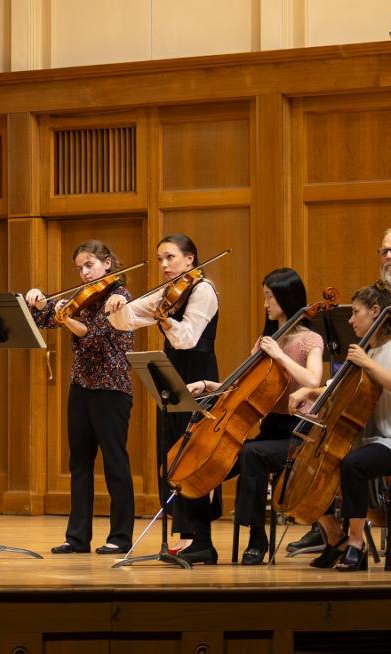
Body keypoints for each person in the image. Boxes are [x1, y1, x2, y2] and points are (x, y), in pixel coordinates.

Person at [183, 267, 324, 565]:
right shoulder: (266, 340)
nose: (265, 304)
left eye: (269, 297)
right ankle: (202, 542)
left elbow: (313, 381)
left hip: (300, 433)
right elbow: (240, 387)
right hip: (271, 428)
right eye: (264, 297)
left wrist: (280, 355)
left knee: (252, 454)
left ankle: (257, 536)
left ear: (287, 298)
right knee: (202, 458)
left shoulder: (310, 340)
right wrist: (209, 385)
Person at [288, 284, 391, 572]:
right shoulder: (369, 351)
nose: (349, 320)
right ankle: (333, 537)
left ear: (376, 312)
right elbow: (339, 389)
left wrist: (367, 364)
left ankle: (355, 544)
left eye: (356, 313)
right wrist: (308, 393)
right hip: (369, 439)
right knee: (315, 462)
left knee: (353, 465)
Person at [107, 233, 221, 563]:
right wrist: (115, 306)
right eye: (160, 259)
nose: (164, 265)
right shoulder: (168, 294)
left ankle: (203, 540)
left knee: (192, 456)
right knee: (172, 454)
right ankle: (187, 538)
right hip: (171, 375)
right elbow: (127, 320)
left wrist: (163, 318)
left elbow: (187, 337)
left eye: (170, 257)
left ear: (190, 259)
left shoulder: (204, 290)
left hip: (198, 374)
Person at [25, 240, 135, 555]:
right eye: (80, 268)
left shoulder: (120, 298)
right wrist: (37, 301)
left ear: (107, 264)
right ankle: (77, 538)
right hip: (82, 386)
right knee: (80, 463)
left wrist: (66, 320)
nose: (84, 273)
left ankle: (121, 537)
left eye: (89, 265)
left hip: (112, 388)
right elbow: (44, 318)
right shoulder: (81, 298)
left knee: (115, 462)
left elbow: (96, 337)